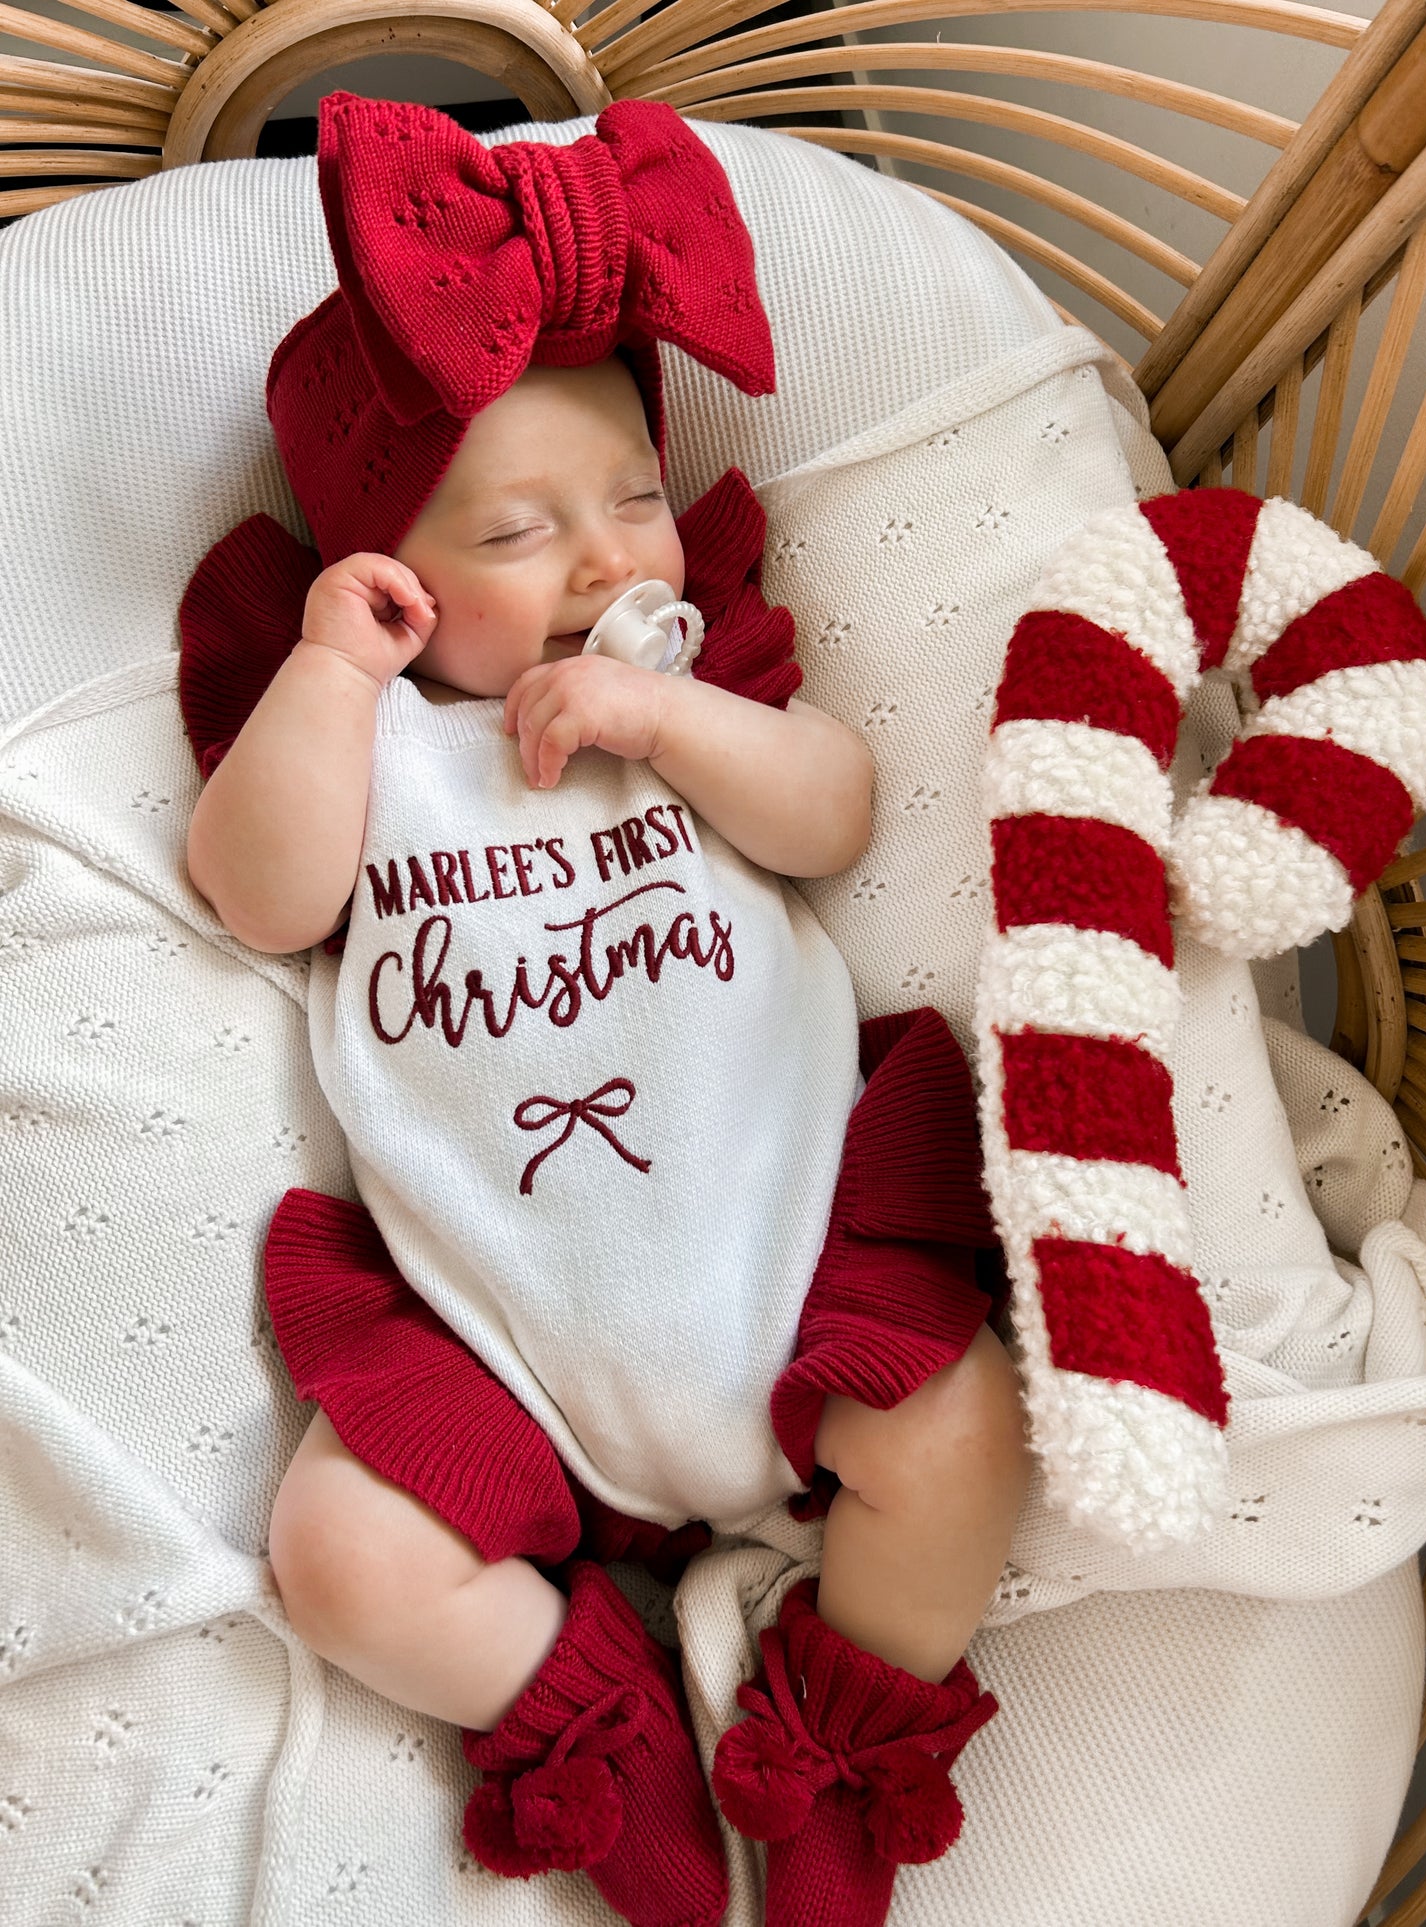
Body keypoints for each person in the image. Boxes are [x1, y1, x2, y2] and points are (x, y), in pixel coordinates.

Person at [180, 91, 1029, 1927]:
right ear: (392, 579)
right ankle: (595, 1712)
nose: (605, 561)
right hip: (504, 1342)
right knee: (339, 1554)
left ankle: (838, 1731)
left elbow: (834, 811)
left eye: (634, 497)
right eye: (517, 530)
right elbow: (260, 895)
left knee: (962, 1427)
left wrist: (671, 721)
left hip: (790, 1272)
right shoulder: (379, 750)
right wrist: (330, 674)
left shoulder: (693, 697)